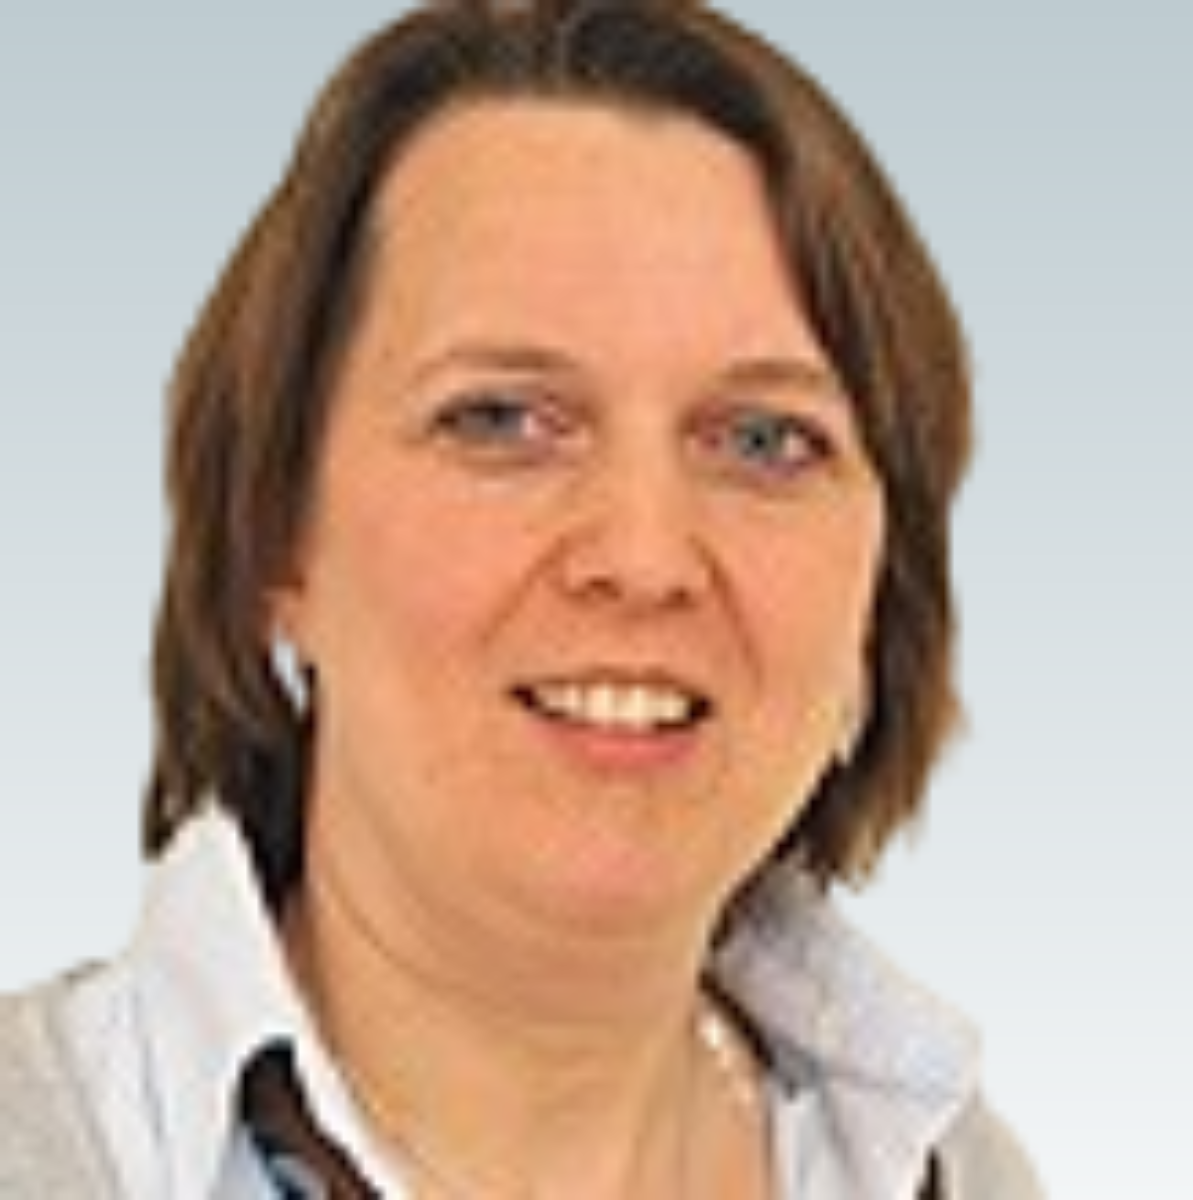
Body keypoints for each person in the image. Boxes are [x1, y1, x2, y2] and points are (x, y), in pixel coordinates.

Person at [0, 0, 1044, 1196]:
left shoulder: (947, 1167)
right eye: (501, 420)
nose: (644, 557)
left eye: (764, 439)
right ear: (274, 536)